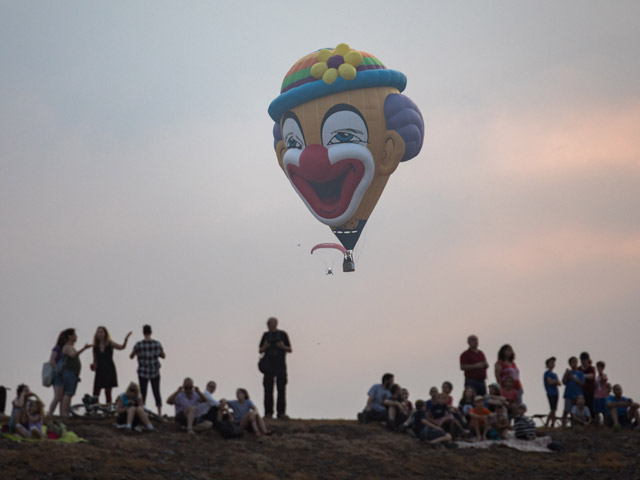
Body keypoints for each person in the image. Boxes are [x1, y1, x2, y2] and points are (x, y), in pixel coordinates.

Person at [259, 317, 292, 420]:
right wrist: (265, 346)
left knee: (281, 389)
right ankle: (268, 413)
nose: (269, 324)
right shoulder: (265, 335)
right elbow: (260, 350)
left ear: (276, 323)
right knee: (268, 390)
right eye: (268, 323)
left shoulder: (282, 334)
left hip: (280, 366)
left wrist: (281, 346)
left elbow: (290, 349)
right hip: (268, 367)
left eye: (271, 323)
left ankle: (281, 413)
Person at [130, 324, 165, 416]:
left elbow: (131, 356)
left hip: (143, 371)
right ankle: (159, 413)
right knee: (156, 391)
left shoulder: (139, 345)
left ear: (143, 332)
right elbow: (163, 355)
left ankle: (142, 411)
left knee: (142, 392)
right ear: (151, 332)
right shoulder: (156, 344)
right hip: (154, 371)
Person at [91, 327, 132, 404]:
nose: (99, 334)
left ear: (105, 334)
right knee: (96, 392)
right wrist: (93, 366)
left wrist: (126, 339)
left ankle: (108, 409)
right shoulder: (95, 346)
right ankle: (95, 409)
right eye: (98, 332)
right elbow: (95, 360)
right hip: (100, 370)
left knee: (108, 392)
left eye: (101, 332)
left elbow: (121, 347)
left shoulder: (110, 343)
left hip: (109, 368)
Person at [60, 329, 92, 417]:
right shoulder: (67, 347)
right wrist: (84, 348)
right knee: (68, 393)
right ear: (70, 336)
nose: (76, 336)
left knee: (69, 394)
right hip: (69, 372)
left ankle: (66, 413)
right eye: (74, 334)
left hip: (73, 373)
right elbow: (73, 355)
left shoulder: (70, 347)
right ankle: (65, 414)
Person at [47, 328, 74, 417]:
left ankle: (62, 414)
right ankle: (50, 413)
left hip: (65, 374)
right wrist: (58, 370)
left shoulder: (67, 348)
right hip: (58, 374)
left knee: (62, 397)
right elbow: (52, 360)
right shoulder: (58, 348)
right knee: (58, 396)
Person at [561, 356, 585, 427]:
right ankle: (563, 424)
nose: (574, 364)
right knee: (566, 410)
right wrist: (566, 375)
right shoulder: (568, 373)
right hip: (568, 394)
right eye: (572, 362)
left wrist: (573, 378)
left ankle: (574, 424)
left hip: (577, 395)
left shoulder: (580, 373)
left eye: (575, 362)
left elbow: (582, 383)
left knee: (575, 411)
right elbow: (564, 382)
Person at [543, 357, 561, 427]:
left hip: (556, 392)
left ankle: (552, 423)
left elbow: (559, 383)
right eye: (550, 363)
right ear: (547, 365)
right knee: (552, 409)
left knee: (554, 409)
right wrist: (555, 381)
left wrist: (555, 382)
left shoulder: (554, 374)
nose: (552, 364)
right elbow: (550, 382)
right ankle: (547, 423)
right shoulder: (546, 373)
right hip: (550, 393)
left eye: (553, 363)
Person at [593, 361, 609, 426]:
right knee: (596, 412)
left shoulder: (604, 375)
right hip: (596, 396)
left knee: (604, 411)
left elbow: (604, 379)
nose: (598, 368)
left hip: (602, 396)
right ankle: (597, 424)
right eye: (598, 367)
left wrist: (601, 373)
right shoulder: (596, 377)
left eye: (600, 367)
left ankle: (605, 425)